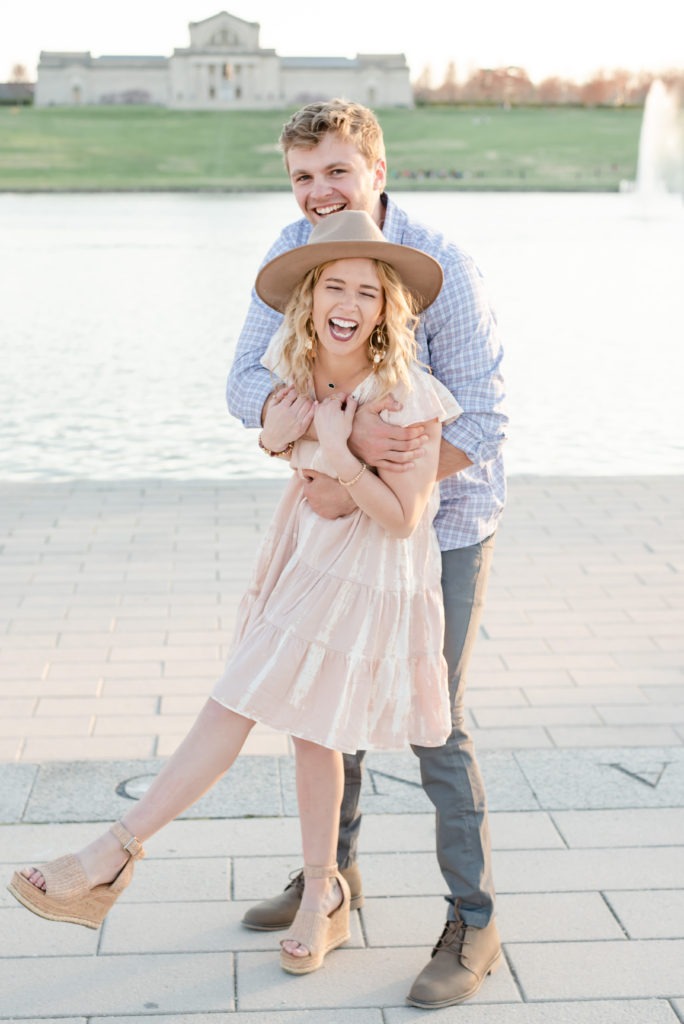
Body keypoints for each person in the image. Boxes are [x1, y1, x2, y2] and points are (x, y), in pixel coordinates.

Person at [7, 209, 462, 978]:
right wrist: (286, 438)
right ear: (310, 297)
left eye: (366, 292)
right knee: (312, 732)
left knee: (236, 699)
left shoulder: (402, 391)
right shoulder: (300, 376)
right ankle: (325, 896)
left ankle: (112, 852)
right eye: (334, 288)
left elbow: (407, 515)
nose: (348, 305)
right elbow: (289, 441)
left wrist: (342, 462)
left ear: (387, 308)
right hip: (304, 551)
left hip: (366, 569)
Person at [227, 98, 507, 1009]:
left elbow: (489, 416)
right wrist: (318, 448)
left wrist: (396, 463)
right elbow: (244, 385)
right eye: (303, 176)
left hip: (444, 522)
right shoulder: (292, 253)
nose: (318, 193)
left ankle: (474, 921)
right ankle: (329, 886)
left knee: (438, 723)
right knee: (324, 703)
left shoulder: (443, 265)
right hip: (337, 518)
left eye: (337, 173)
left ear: (376, 172)